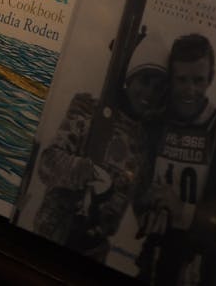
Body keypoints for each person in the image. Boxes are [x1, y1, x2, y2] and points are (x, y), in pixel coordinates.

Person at [31, 32, 168, 261]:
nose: (150, 93)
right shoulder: (88, 110)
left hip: (92, 254)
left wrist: (155, 212)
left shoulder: (143, 142)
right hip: (51, 239)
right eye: (144, 81)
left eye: (158, 88)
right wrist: (86, 171)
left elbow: (141, 198)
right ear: (130, 78)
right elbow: (47, 164)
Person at [134, 33, 216, 286]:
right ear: (171, 79)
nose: (190, 90)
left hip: (201, 271)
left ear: (211, 78)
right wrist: (144, 206)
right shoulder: (155, 123)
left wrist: (185, 212)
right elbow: (138, 189)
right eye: (182, 80)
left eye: (198, 80)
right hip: (153, 264)